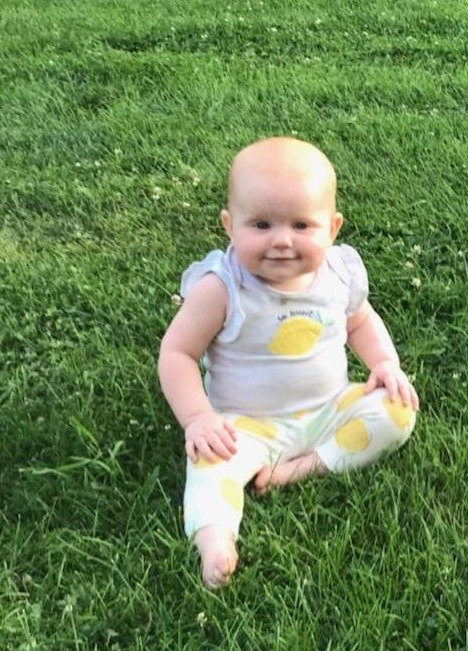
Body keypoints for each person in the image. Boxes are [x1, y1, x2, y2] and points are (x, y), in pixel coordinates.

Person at [158, 137, 419, 588]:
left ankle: (304, 467)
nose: (281, 241)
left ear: (332, 228)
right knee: (209, 464)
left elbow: (360, 322)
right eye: (261, 224)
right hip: (245, 426)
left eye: (301, 225)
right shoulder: (222, 288)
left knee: (398, 411)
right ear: (229, 225)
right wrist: (198, 419)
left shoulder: (337, 275)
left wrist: (385, 363)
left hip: (329, 409)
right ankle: (215, 538)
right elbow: (177, 353)